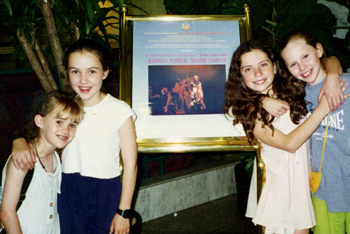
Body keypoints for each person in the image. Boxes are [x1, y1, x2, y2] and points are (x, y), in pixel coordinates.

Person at [10, 39, 138, 234]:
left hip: (106, 192)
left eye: (92, 71)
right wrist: (18, 141)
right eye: (75, 71)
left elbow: (131, 165)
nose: (83, 80)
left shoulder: (120, 111)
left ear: (105, 72)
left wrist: (123, 212)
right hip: (70, 189)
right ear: (67, 73)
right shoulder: (67, 108)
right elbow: (39, 131)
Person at [224, 39, 346, 234]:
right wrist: (324, 108)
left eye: (263, 65)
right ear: (240, 76)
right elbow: (290, 144)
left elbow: (332, 60)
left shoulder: (292, 89)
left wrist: (332, 76)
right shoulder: (248, 110)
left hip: (303, 185)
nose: (257, 73)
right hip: (280, 190)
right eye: (248, 69)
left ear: (274, 67)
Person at [278, 31, 350, 234]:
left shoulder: (346, 83)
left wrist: (334, 75)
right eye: (293, 64)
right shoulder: (294, 98)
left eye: (305, 57)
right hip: (322, 191)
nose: (302, 67)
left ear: (318, 50)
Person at [1, 91, 84, 234]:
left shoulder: (57, 158)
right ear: (40, 121)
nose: (66, 130)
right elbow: (7, 213)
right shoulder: (23, 159)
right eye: (59, 121)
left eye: (73, 125)